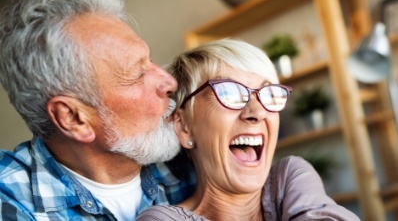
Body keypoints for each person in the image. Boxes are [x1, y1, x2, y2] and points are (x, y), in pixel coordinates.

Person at [0, 0, 195, 220]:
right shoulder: (8, 198)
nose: (170, 82)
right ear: (73, 118)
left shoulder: (191, 152)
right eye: (138, 74)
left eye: (150, 61)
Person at [136, 39, 360, 220]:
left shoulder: (289, 179)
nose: (257, 111)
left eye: (269, 94)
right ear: (183, 126)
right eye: (229, 93)